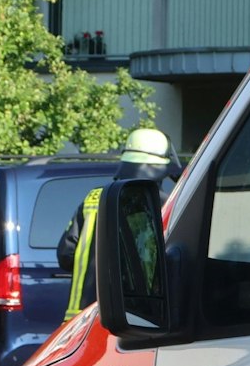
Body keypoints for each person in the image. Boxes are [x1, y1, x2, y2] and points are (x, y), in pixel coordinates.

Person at [59, 127, 183, 318]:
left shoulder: (93, 198)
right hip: (133, 318)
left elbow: (66, 254)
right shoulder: (165, 206)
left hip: (80, 320)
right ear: (160, 168)